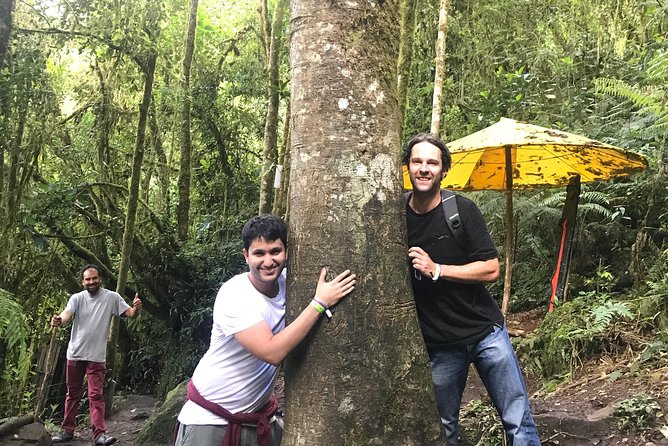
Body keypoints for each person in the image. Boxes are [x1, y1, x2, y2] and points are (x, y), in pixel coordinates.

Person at [403, 133, 541, 446]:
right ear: (407, 167)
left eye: (432, 163)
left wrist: (437, 269)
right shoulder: (396, 218)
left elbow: (491, 268)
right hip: (440, 344)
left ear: (443, 170)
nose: (424, 168)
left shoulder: (461, 211)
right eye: (417, 161)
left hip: (485, 333)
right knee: (445, 428)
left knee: (517, 421)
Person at [174, 214, 356, 446]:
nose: (268, 261)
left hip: (255, 417)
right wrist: (319, 303)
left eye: (275, 251)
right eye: (259, 253)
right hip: (209, 421)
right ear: (246, 255)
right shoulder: (235, 294)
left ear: (287, 252)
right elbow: (272, 352)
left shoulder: (290, 284)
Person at [51, 264, 142, 446]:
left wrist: (137, 308)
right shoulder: (77, 298)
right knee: (72, 394)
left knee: (96, 396)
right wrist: (59, 320)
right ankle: (67, 430)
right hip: (75, 354)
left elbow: (130, 314)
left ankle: (99, 434)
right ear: (83, 281)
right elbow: (67, 313)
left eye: (94, 278)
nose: (91, 282)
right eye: (88, 279)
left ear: (99, 279)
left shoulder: (111, 298)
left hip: (96, 356)